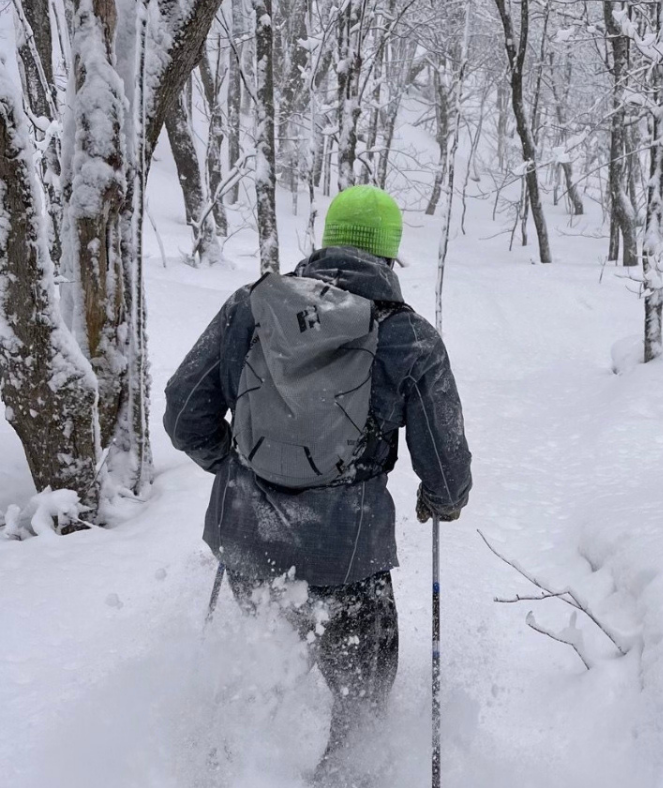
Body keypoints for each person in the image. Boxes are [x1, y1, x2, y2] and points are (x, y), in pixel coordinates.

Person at [164, 185, 472, 785]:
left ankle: (224, 770)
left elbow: (183, 413)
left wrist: (234, 466)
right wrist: (442, 501)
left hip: (247, 541)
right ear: (389, 255)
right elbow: (447, 464)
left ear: (326, 241)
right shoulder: (409, 338)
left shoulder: (250, 308)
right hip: (349, 560)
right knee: (360, 712)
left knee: (257, 679)